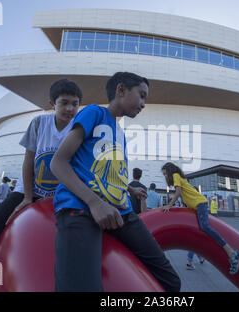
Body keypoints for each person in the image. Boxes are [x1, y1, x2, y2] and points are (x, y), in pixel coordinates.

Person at [51, 72, 181, 292]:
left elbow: (110, 174)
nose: (143, 104)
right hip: (81, 208)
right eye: (141, 96)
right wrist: (95, 202)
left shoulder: (120, 133)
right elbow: (58, 163)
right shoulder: (95, 112)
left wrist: (129, 188)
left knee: (171, 282)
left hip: (123, 213)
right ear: (121, 90)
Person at [0, 78, 83, 292]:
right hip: (29, 191)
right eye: (64, 102)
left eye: (75, 103)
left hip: (60, 197)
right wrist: (27, 196)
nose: (70, 108)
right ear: (52, 103)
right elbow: (29, 161)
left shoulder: (80, 129)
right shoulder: (39, 123)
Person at [161, 162, 239, 275]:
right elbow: (185, 194)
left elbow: (178, 192)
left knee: (205, 227)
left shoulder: (175, 176)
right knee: (201, 228)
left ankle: (232, 253)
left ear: (169, 171)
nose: (165, 176)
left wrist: (169, 205)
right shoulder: (178, 177)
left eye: (165, 173)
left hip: (200, 204)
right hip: (197, 205)